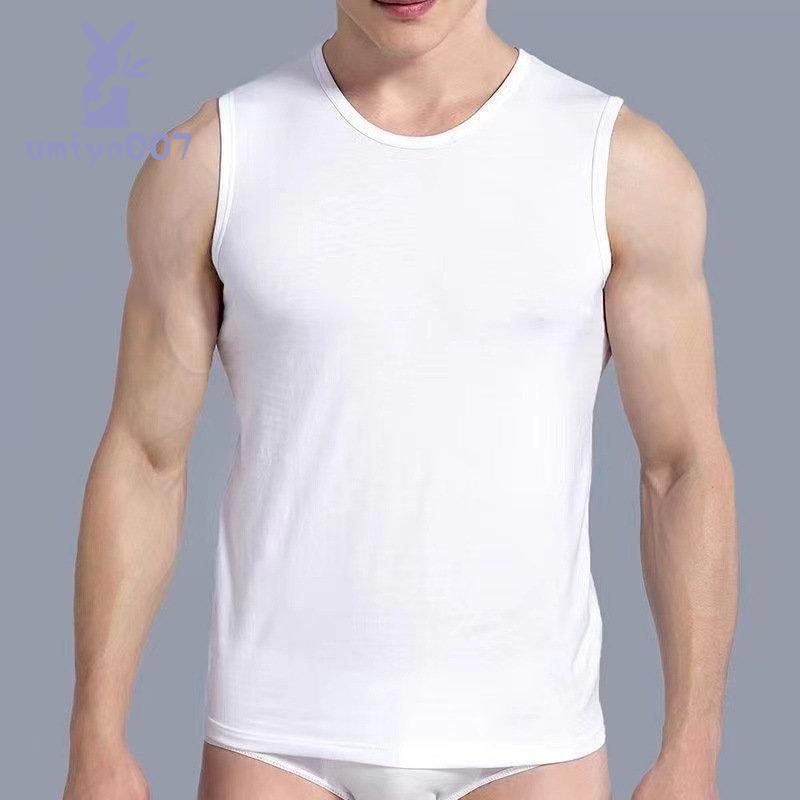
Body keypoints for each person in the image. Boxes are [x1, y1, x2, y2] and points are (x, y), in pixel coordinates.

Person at [62, 1, 738, 799]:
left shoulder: (619, 162)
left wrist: (693, 747)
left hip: (531, 737)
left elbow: (681, 466)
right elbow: (144, 456)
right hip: (276, 735)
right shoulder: (215, 157)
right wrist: (95, 737)